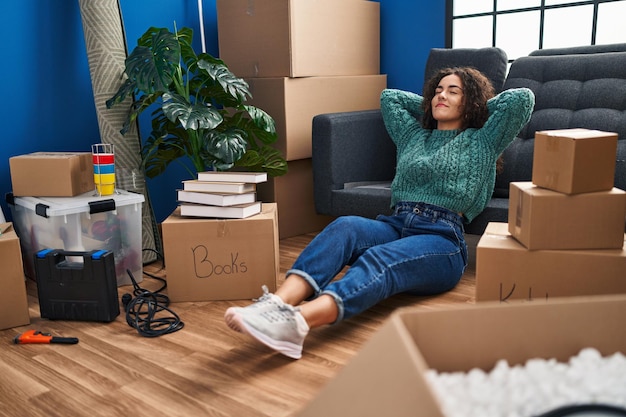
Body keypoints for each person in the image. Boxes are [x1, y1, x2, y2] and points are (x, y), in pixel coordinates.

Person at [225, 67, 535, 359]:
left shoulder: (482, 140)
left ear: (471, 102)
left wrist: (477, 109)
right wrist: (431, 105)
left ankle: (298, 323)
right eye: (437, 90)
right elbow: (390, 99)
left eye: (454, 91)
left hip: (442, 239)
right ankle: (276, 304)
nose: (442, 95)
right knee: (345, 226)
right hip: (395, 223)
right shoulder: (413, 136)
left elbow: (521, 99)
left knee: (380, 259)